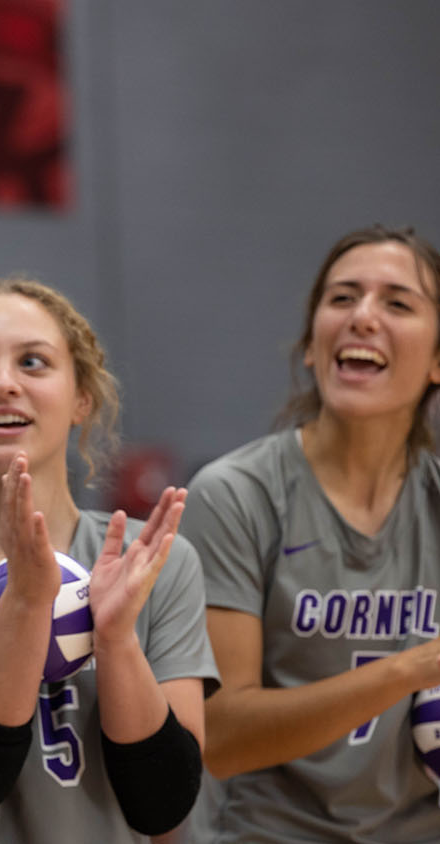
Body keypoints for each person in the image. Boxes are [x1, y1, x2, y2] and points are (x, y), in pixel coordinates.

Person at [0, 277, 218, 843]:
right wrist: (28, 604)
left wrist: (117, 639)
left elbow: (164, 806)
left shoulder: (154, 563)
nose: (2, 383)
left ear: (82, 397)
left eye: (33, 362)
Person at [184, 225, 440, 842]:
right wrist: (408, 670)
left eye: (397, 303)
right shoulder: (235, 495)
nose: (363, 317)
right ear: (310, 345)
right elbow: (220, 736)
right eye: (342, 298)